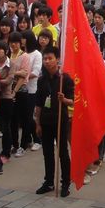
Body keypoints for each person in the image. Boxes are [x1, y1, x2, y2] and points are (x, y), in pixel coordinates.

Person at [35, 46, 73, 196]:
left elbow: (73, 101)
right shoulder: (42, 80)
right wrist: (37, 123)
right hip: (45, 120)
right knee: (47, 153)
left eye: (50, 58)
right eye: (45, 59)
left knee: (62, 152)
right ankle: (49, 181)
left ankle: (66, 182)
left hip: (60, 120)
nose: (47, 61)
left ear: (57, 59)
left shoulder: (65, 79)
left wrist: (64, 99)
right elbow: (38, 104)